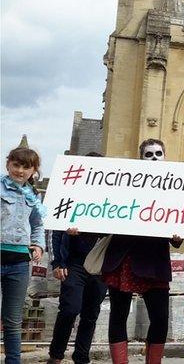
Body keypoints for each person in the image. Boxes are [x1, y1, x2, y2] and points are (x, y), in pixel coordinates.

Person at [101, 139, 183, 364]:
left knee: (160, 319)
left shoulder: (174, 189)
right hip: (124, 257)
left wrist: (177, 236)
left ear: (164, 156)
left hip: (154, 260)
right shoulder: (122, 184)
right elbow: (104, 213)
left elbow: (178, 223)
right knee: (119, 314)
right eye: (149, 154)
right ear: (141, 158)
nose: (154, 158)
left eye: (158, 153)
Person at [47, 153, 108, 364]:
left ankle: (81, 356)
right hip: (74, 262)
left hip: (100, 264)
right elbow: (56, 231)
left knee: (91, 313)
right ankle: (56, 355)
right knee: (70, 310)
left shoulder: (113, 197)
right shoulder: (70, 194)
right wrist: (58, 262)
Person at [1, 146, 45, 364]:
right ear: (8, 164)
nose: (19, 170)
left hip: (19, 262)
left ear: (33, 170)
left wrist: (37, 244)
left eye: (25, 167)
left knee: (13, 319)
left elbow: (38, 224)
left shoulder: (34, 195)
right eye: (16, 165)